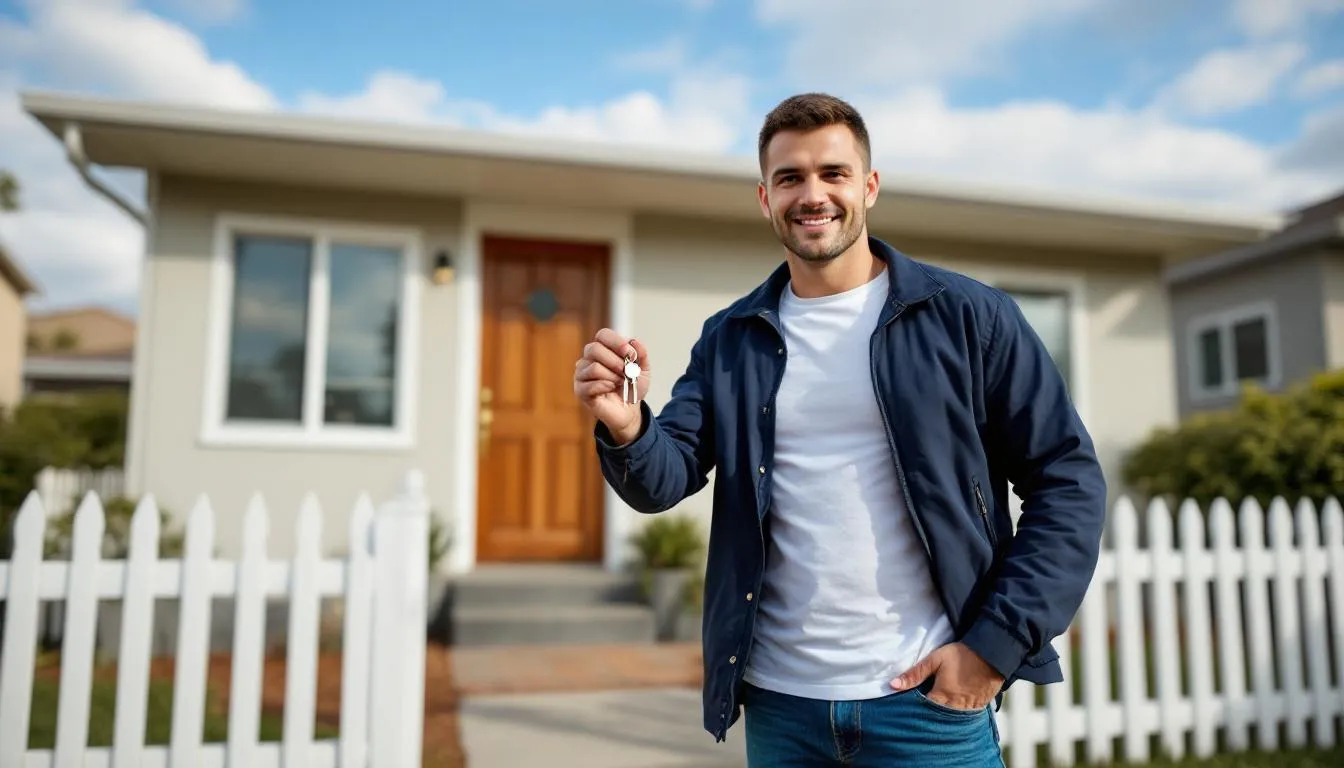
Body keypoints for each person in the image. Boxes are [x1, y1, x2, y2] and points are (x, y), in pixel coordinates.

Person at [572, 92, 1106, 766]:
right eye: (789, 177)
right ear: (765, 199)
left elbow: (1068, 482)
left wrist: (993, 649)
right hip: (780, 706)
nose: (812, 194)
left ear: (870, 187)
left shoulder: (971, 318)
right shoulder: (731, 338)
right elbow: (665, 477)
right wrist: (627, 427)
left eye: (834, 173)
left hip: (927, 706)